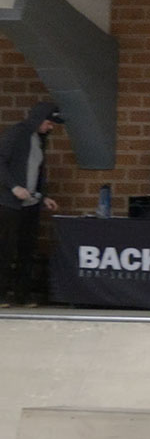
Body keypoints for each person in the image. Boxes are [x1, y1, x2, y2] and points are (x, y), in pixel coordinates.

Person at [0, 102, 63, 307]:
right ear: (38, 119)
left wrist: (43, 196)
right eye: (48, 122)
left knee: (27, 250)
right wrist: (14, 187)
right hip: (10, 203)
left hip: (30, 203)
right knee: (6, 249)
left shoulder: (40, 140)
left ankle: (22, 296)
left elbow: (37, 173)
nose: (50, 127)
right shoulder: (17, 134)